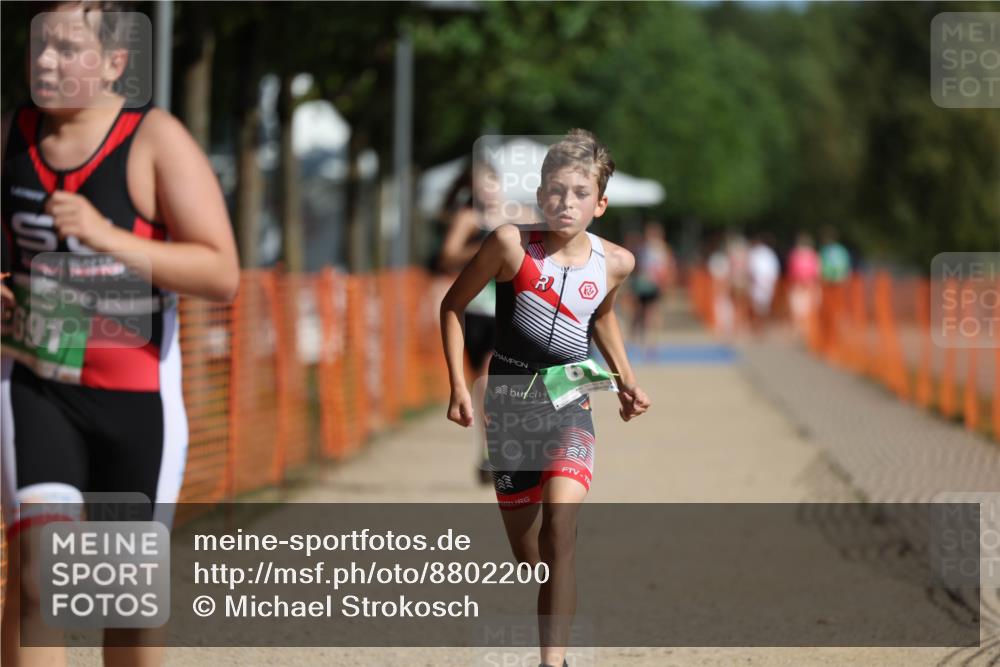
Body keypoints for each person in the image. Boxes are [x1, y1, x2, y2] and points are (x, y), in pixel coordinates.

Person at [1, 3, 239, 666]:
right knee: (37, 577)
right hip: (36, 386)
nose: (46, 61)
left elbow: (222, 273)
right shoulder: (11, 137)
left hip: (135, 396)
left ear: (115, 63)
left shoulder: (154, 139)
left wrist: (105, 236)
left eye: (67, 48)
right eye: (39, 45)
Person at [440, 129, 650, 667]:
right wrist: (459, 386)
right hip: (510, 404)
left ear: (600, 203)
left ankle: (550, 661)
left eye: (581, 192)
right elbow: (452, 306)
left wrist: (626, 378)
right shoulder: (510, 243)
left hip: (570, 400)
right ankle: (550, 580)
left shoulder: (617, 262)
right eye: (556, 191)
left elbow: (600, 314)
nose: (566, 202)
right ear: (540, 194)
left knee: (561, 529)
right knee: (530, 554)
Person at [436, 161, 504, 485]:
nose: (488, 189)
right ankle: (490, 453)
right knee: (487, 384)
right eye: (481, 184)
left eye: (492, 182)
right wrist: (485, 250)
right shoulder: (469, 218)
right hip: (477, 311)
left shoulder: (512, 217)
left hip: (509, 311)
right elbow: (448, 256)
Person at [629, 221, 674, 348]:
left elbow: (668, 267)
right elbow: (637, 266)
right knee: (638, 312)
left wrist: (666, 283)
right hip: (642, 284)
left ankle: (652, 341)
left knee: (652, 312)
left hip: (655, 284)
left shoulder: (663, 249)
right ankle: (636, 337)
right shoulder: (643, 248)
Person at [786, 232, 821, 337]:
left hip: (806, 285)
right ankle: (802, 330)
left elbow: (816, 271)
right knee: (800, 308)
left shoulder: (808, 255)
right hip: (802, 285)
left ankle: (805, 330)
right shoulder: (800, 255)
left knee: (804, 308)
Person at [746, 232, 780, 332]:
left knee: (761, 306)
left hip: (762, 282)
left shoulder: (760, 253)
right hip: (761, 282)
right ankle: (759, 326)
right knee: (760, 305)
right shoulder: (763, 253)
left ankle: (760, 326)